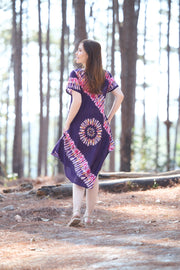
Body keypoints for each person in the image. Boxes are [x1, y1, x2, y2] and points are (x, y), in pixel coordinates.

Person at [51, 39, 124, 227]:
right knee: (94, 172)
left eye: (80, 50)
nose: (77, 53)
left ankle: (76, 212)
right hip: (99, 130)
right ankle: (89, 216)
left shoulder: (76, 75)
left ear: (89, 54)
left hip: (79, 128)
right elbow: (120, 96)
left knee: (79, 169)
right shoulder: (105, 76)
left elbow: (76, 102)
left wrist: (67, 124)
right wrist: (108, 118)